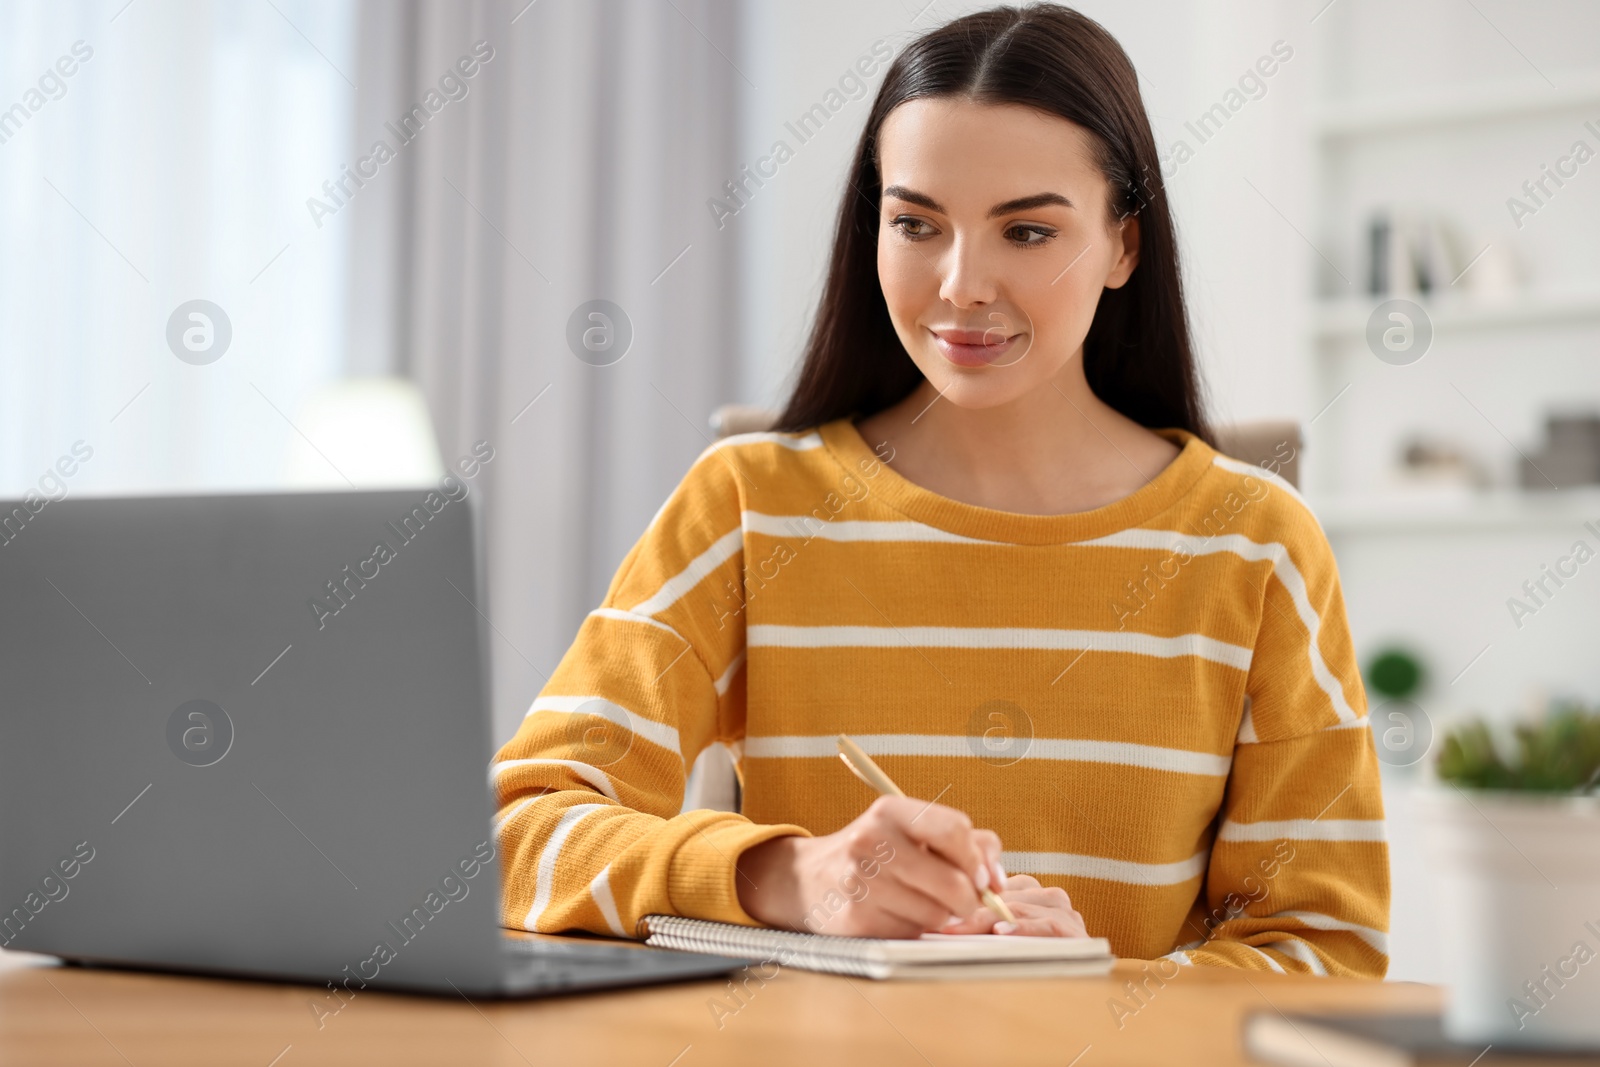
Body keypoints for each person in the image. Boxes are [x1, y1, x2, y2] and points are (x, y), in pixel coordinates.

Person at [491, 2, 1388, 976]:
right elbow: (510, 837)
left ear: (1124, 243)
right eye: (916, 222)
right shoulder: (747, 506)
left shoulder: (1253, 543)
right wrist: (788, 875)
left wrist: (1106, 985)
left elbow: (1327, 951)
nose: (960, 284)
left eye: (1028, 232)